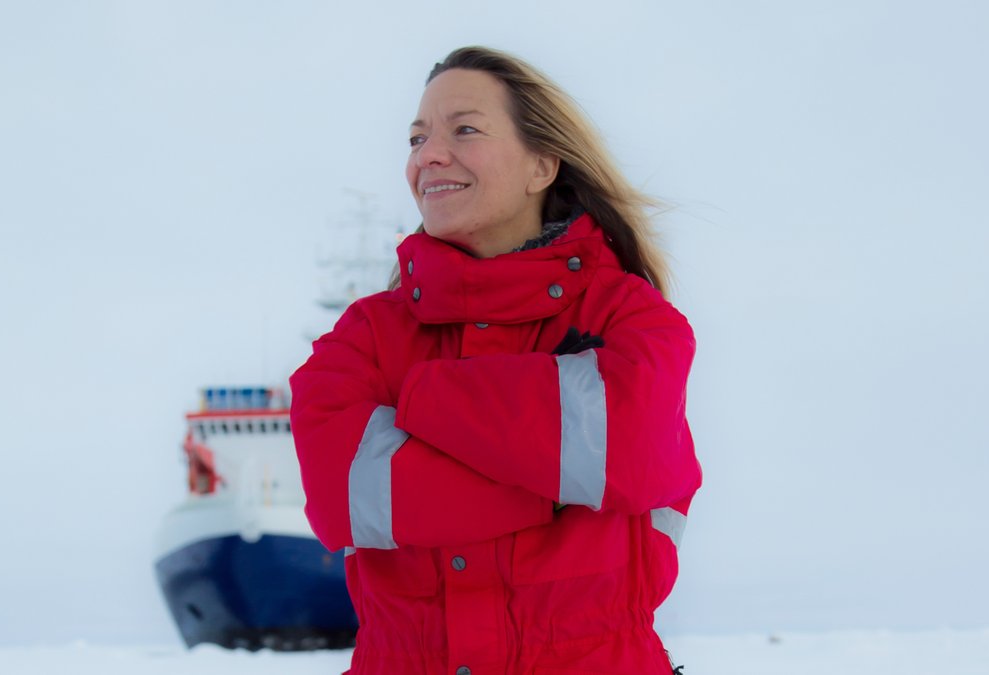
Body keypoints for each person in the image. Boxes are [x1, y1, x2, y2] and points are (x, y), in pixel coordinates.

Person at [290, 46, 700, 675]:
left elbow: (629, 444)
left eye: (465, 130)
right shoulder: (366, 332)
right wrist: (554, 488)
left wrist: (426, 398)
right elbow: (344, 496)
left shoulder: (629, 316)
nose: (428, 155)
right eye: (417, 138)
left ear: (541, 164)